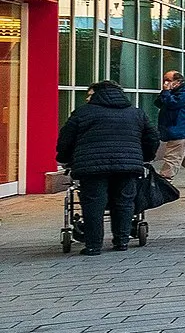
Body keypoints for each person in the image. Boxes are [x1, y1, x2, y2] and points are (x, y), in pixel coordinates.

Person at [56, 81, 160, 255]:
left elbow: (66, 139)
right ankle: (122, 242)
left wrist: (65, 159)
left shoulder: (82, 113)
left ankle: (93, 246)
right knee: (124, 202)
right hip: (127, 167)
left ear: (96, 94)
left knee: (93, 204)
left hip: (92, 168)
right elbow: (152, 138)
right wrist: (144, 157)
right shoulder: (136, 113)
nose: (87, 98)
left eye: (89, 95)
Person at [154, 69, 185, 188]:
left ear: (178, 81)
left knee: (172, 156)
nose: (165, 83)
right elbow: (159, 103)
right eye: (164, 80)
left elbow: (172, 104)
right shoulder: (173, 92)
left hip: (179, 128)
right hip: (177, 128)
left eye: (168, 80)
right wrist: (165, 92)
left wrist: (166, 92)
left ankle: (165, 181)